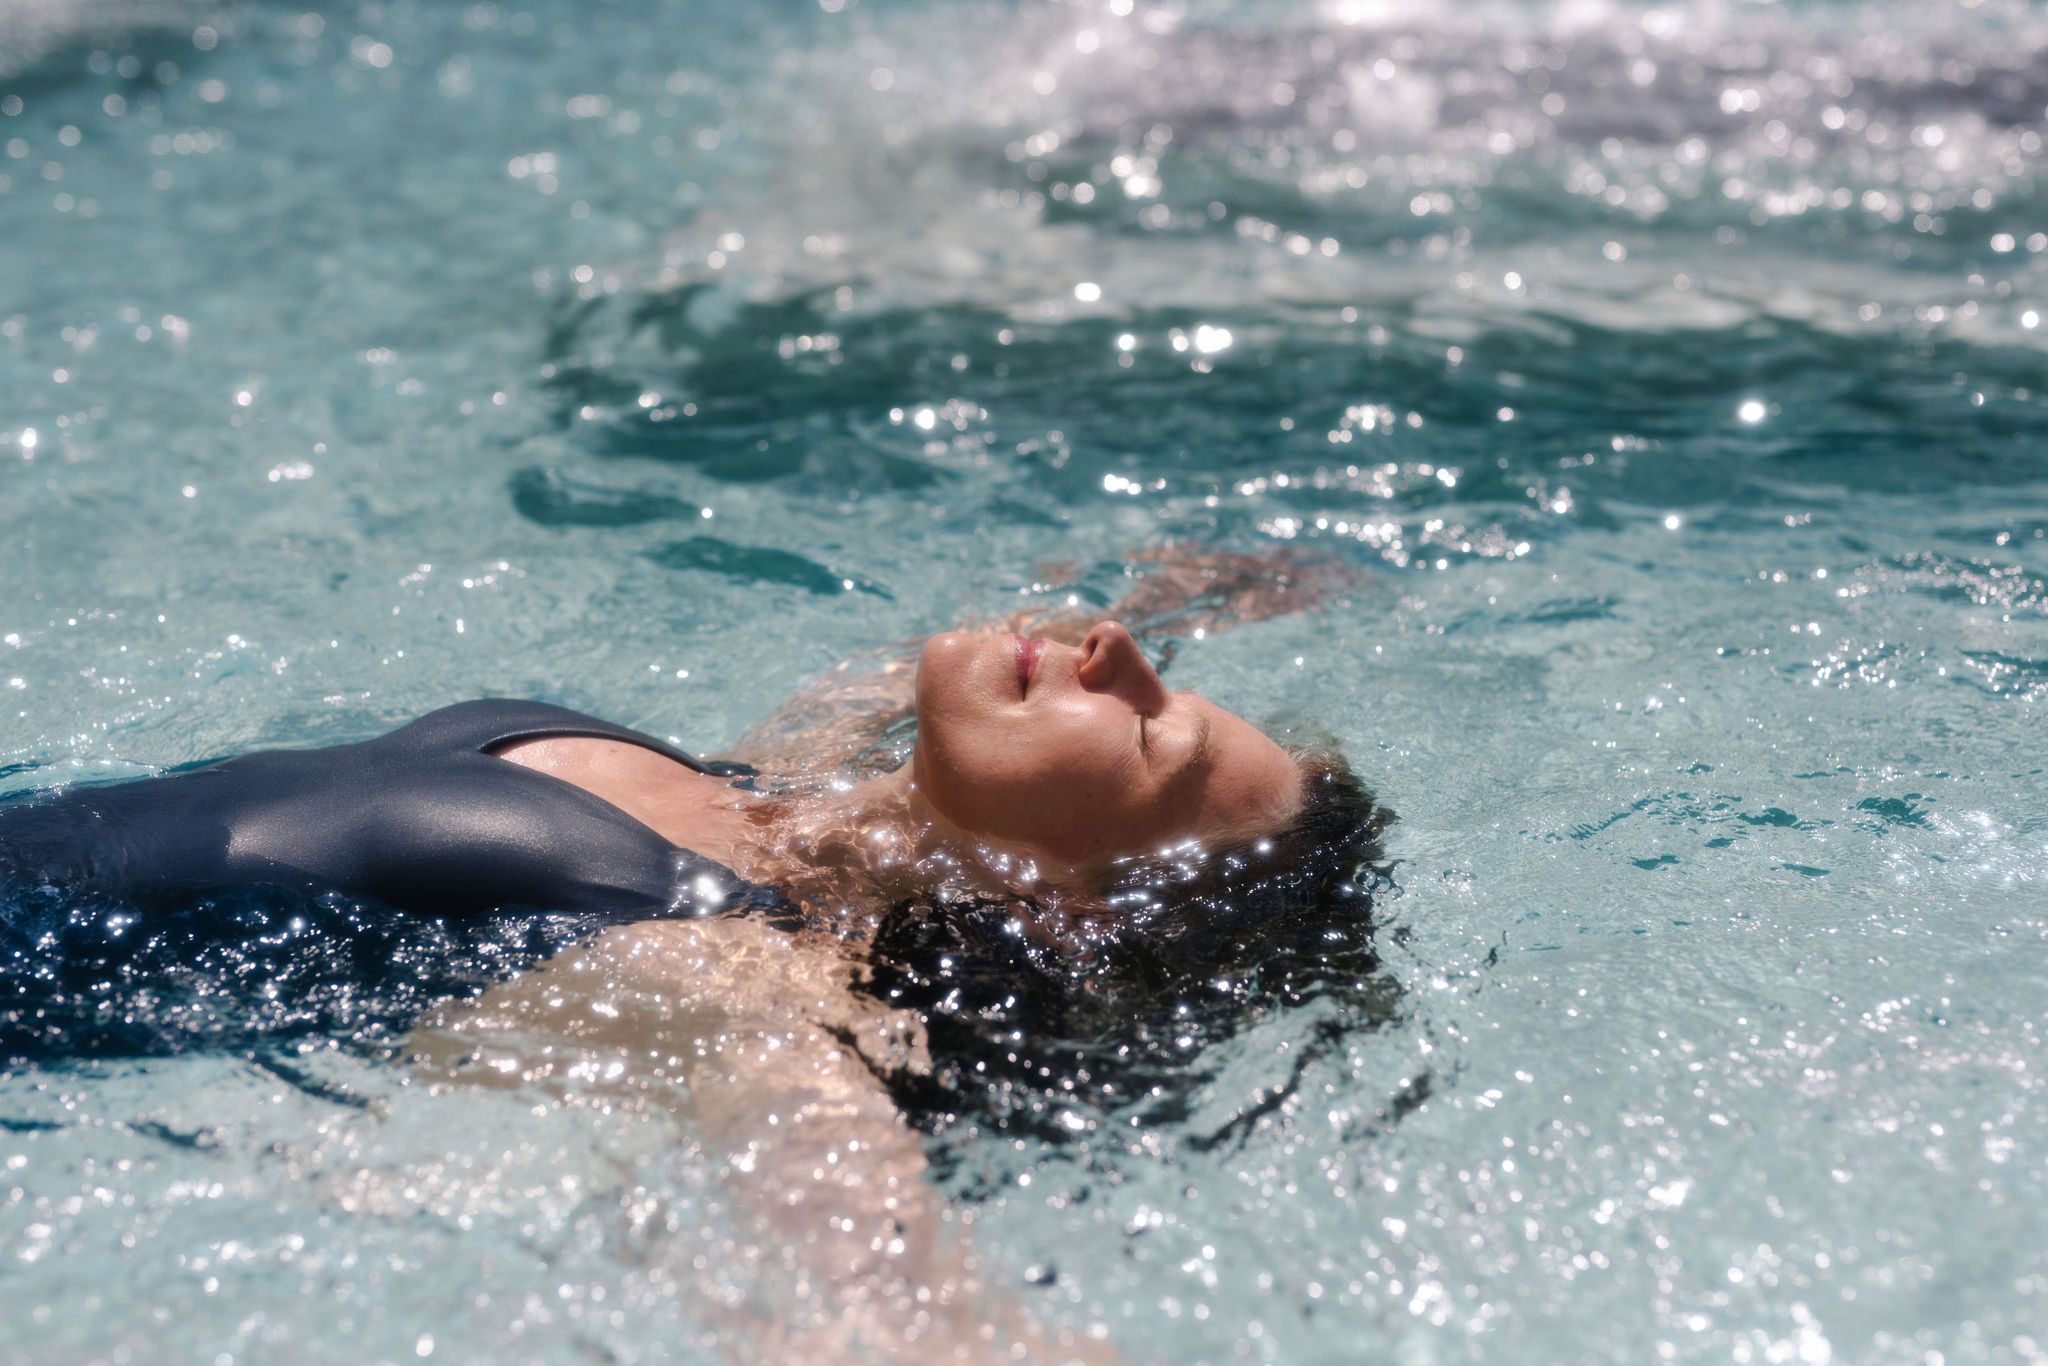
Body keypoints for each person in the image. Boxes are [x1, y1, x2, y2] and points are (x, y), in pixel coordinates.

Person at [1, 548, 1391, 1360]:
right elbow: (992, 658)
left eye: (1159, 734)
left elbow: (885, 1296)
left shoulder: (736, 975)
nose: (1120, 653)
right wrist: (1195, 582)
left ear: (1070, 909)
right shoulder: (785, 794)